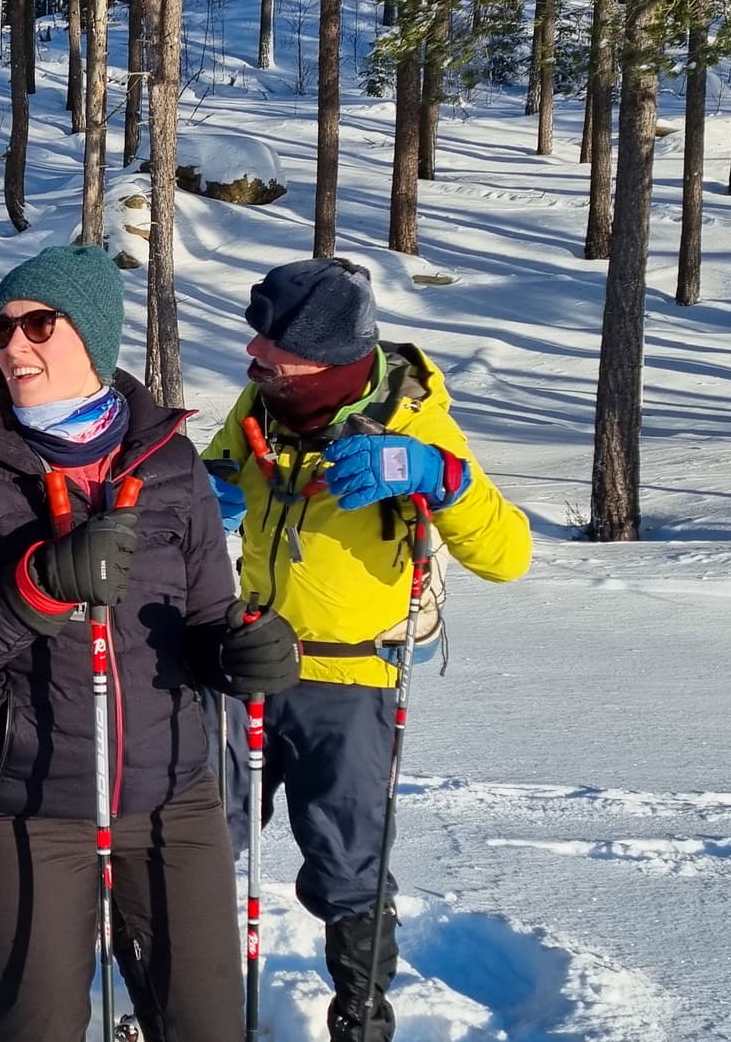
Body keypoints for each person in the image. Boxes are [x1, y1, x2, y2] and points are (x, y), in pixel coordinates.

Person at [0, 244, 303, 1041]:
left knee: (208, 1025)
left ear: (94, 335)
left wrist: (241, 654)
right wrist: (37, 587)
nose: (12, 346)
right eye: (0, 328)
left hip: (171, 801)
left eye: (38, 324)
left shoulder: (170, 463)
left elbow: (205, 625)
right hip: (20, 807)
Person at [202, 257, 532, 1042]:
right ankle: (177, 996)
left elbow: (509, 555)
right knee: (196, 839)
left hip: (351, 678)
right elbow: (220, 473)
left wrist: (441, 478)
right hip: (244, 662)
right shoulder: (265, 404)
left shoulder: (414, 426)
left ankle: (359, 1012)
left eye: (272, 349)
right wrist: (204, 485)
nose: (253, 358)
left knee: (347, 860)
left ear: (326, 358)